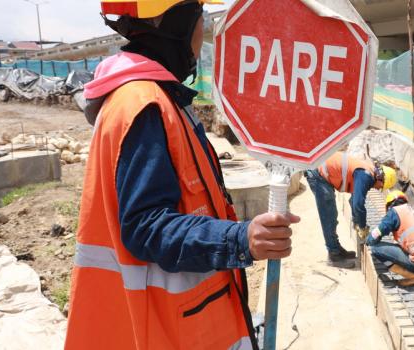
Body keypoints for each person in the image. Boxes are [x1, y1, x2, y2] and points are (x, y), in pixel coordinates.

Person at [66, 1, 299, 349]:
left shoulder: (157, 97)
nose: (203, 31)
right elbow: (146, 226)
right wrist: (239, 239)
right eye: (200, 17)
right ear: (176, 22)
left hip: (178, 322)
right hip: (163, 331)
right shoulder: (142, 104)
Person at [305, 152, 397, 268]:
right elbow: (358, 204)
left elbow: (353, 200)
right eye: (381, 187)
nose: (378, 189)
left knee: (331, 215)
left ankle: (336, 249)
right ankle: (333, 255)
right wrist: (362, 226)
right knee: (329, 216)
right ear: (381, 179)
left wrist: (356, 221)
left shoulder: (367, 172)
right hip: (318, 174)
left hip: (321, 170)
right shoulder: (366, 176)